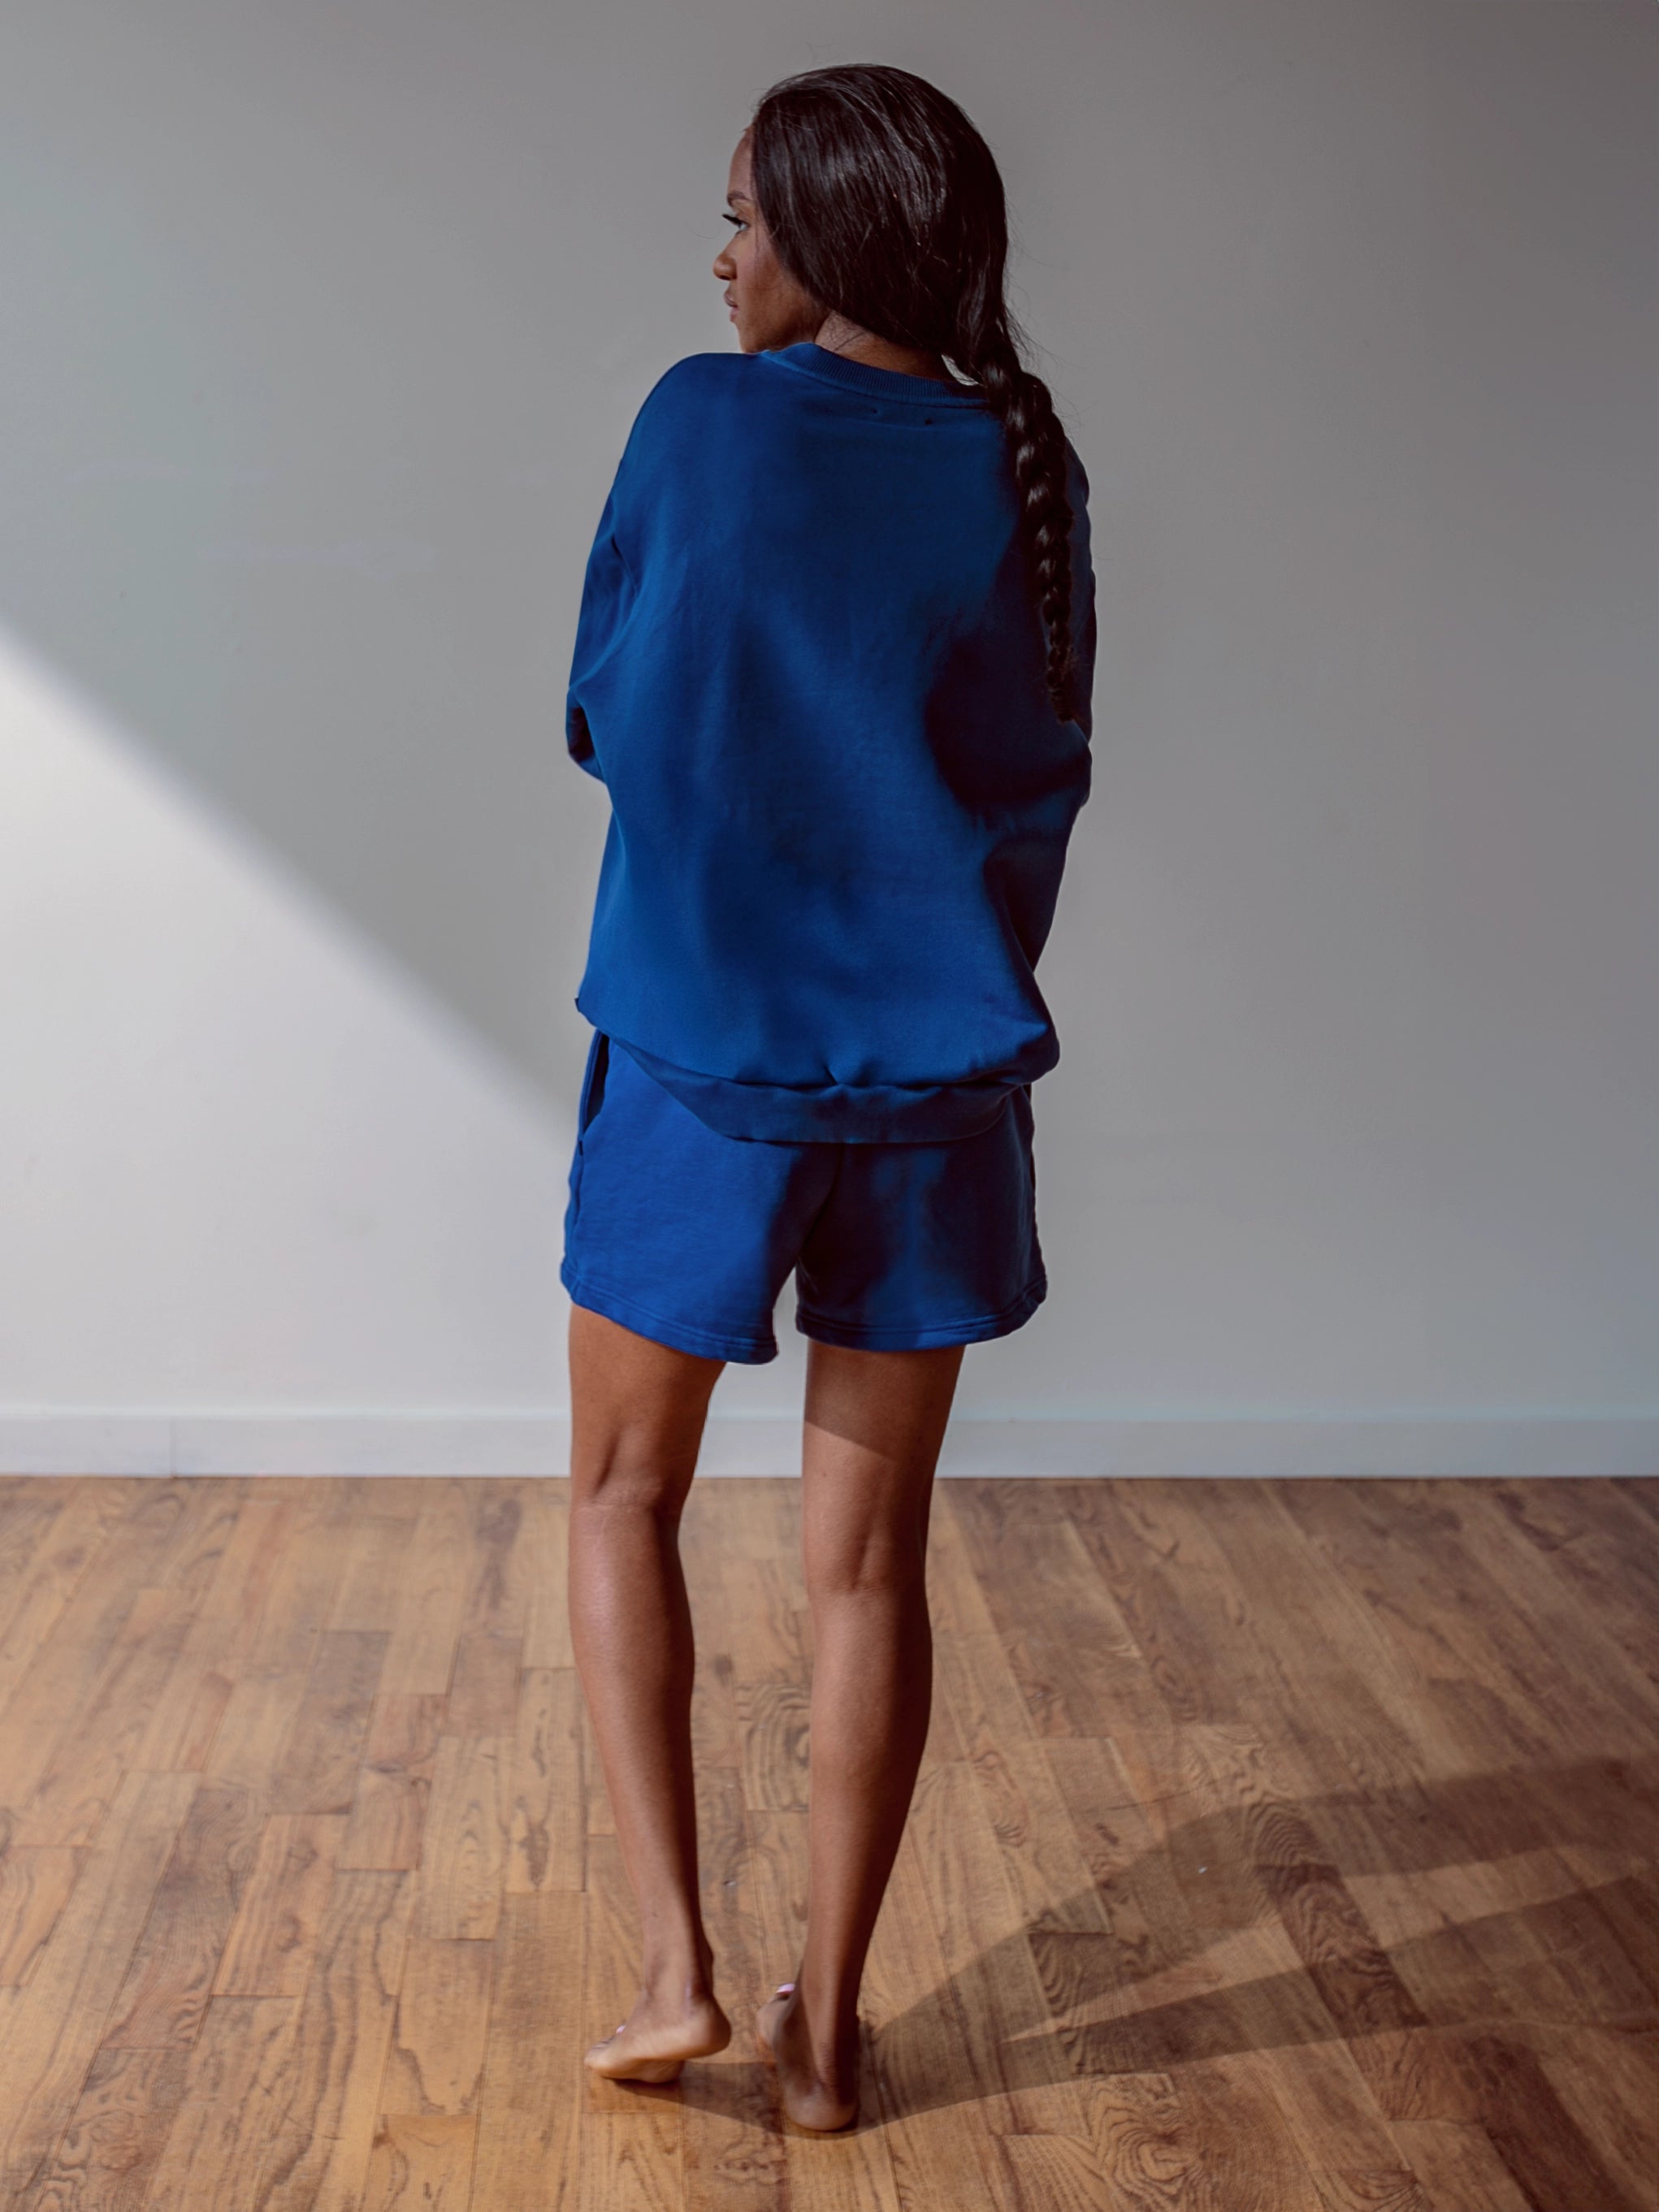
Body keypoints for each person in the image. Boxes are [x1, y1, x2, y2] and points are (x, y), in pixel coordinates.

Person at [561, 62, 1096, 2134]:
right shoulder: (1018, 460)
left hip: (703, 1066)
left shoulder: (699, 424)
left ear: (831, 231)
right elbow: (1041, 772)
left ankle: (677, 1973)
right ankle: (830, 2035)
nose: (722, 259)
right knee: (868, 1573)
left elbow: (605, 707)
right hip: (937, 1092)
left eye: (743, 218)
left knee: (622, 1502)